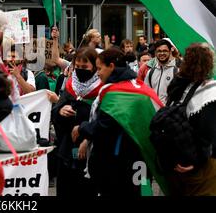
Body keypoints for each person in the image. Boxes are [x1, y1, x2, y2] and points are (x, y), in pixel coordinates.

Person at [71, 48, 167, 196]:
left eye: (100, 68)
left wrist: (82, 128)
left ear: (111, 66)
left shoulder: (116, 92)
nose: (97, 73)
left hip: (118, 162)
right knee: (137, 191)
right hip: (138, 158)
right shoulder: (137, 86)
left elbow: (105, 127)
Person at [165, 43, 216, 196]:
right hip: (200, 167)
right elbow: (208, 132)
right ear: (208, 63)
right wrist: (198, 160)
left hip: (176, 161)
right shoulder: (209, 90)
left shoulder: (178, 86)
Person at [52, 47, 102, 197]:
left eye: (85, 67)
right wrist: (61, 110)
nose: (80, 70)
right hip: (67, 149)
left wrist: (88, 138)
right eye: (77, 66)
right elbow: (55, 112)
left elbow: (104, 120)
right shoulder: (70, 86)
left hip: (90, 151)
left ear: (94, 66)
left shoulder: (102, 89)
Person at [142, 39, 181, 104]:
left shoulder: (177, 71)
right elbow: (146, 93)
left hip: (169, 112)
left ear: (170, 52)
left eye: (165, 51)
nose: (162, 53)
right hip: (154, 112)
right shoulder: (151, 72)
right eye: (159, 51)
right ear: (155, 53)